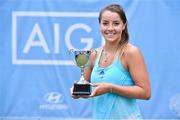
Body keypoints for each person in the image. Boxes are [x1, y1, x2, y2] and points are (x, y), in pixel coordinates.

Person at [71, 4, 151, 119]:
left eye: (116, 23)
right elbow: (87, 90)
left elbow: (145, 93)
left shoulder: (131, 52)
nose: (110, 28)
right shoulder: (93, 54)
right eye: (105, 23)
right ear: (100, 26)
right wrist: (76, 92)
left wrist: (110, 88)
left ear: (124, 25)